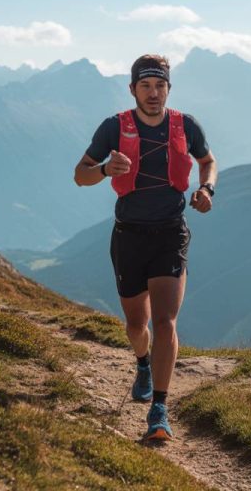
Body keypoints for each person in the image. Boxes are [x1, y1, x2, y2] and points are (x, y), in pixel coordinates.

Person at [74, 54, 217, 440]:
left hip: (171, 232)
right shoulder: (113, 128)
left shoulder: (185, 125)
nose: (153, 94)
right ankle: (142, 363)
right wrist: (104, 170)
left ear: (169, 88)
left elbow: (207, 161)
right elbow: (80, 175)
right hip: (130, 235)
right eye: (145, 86)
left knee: (166, 320)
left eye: (160, 86)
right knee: (137, 325)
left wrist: (206, 189)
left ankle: (159, 409)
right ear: (133, 89)